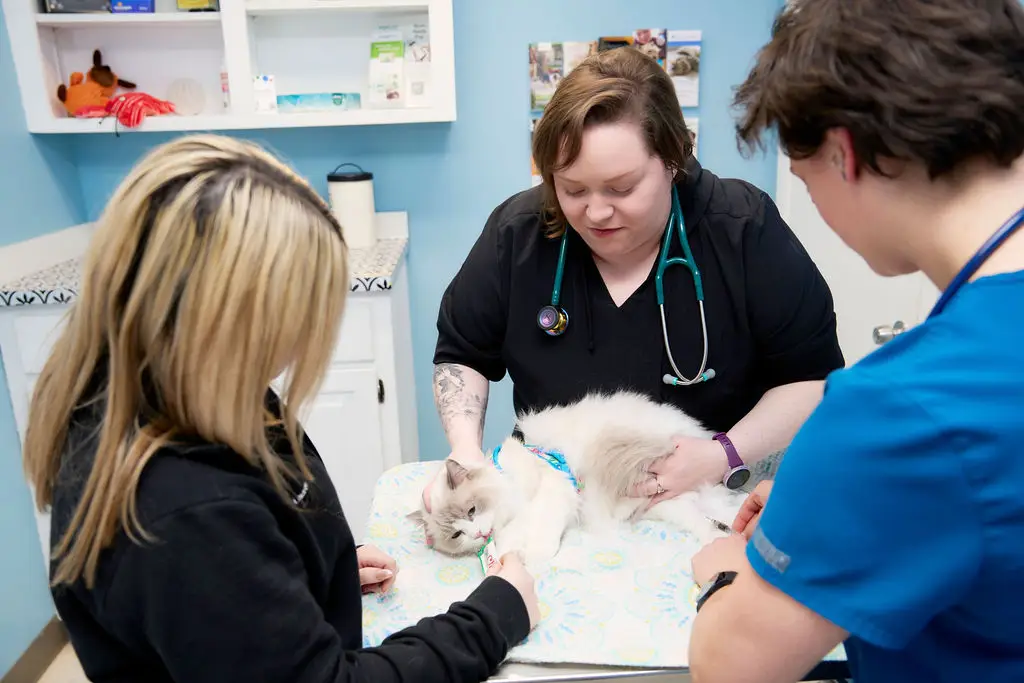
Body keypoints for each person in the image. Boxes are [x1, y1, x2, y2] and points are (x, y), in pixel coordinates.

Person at [23, 134, 539, 683]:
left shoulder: (189, 389)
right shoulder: (182, 517)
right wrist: (494, 615)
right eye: (307, 312)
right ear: (233, 320)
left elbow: (244, 574)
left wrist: (308, 568)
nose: (312, 338)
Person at [687, 1, 1024, 682]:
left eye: (805, 180)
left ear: (844, 154)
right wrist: (827, 496)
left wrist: (724, 570)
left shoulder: (900, 408)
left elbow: (731, 667)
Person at [432, 46, 844, 501]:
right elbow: (461, 353)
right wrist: (464, 450)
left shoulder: (741, 229)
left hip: (711, 495)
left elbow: (810, 377)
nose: (596, 211)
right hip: (560, 498)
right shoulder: (519, 234)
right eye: (572, 189)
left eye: (622, 188)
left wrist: (721, 454)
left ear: (673, 159)